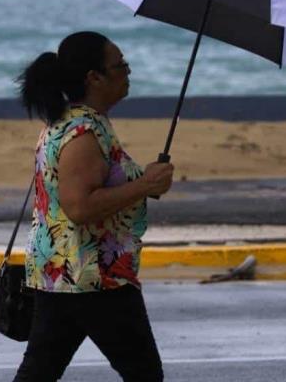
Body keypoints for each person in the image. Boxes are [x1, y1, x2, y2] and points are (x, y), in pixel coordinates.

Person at [13, 31, 174, 381]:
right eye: (120, 65)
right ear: (94, 77)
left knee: (39, 372)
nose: (127, 72)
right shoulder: (83, 132)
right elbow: (80, 207)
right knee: (144, 374)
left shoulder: (71, 121)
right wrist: (145, 184)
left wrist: (143, 185)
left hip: (62, 270)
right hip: (92, 275)